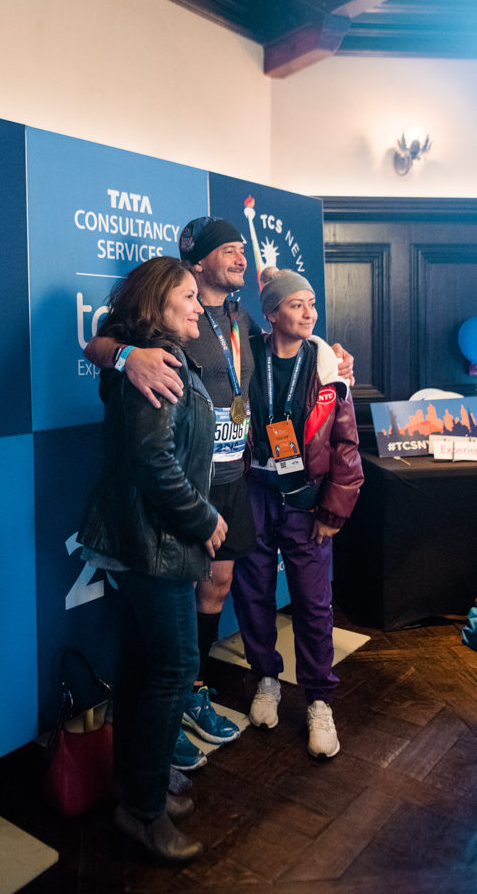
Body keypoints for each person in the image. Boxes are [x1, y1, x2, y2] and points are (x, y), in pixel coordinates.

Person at [85, 217, 355, 770]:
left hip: (236, 477)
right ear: (196, 261)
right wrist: (126, 357)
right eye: (227, 249)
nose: (238, 255)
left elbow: (286, 344)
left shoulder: (240, 317)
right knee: (164, 611)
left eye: (241, 248)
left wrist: (333, 359)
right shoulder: (165, 313)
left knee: (219, 586)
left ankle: (191, 693)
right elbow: (98, 343)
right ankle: (159, 719)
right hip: (187, 481)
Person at [78, 256, 227, 864]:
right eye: (187, 296)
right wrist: (205, 519)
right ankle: (142, 810)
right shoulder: (151, 361)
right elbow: (151, 461)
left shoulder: (159, 354)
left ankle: (137, 780)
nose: (198, 305)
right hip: (154, 543)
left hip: (149, 540)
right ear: (155, 306)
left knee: (143, 664)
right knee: (174, 666)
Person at [231, 268, 364, 758]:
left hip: (307, 500)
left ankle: (318, 701)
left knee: (312, 603)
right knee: (252, 595)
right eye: (296, 304)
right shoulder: (247, 355)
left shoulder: (326, 364)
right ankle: (266, 677)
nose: (309, 312)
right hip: (255, 492)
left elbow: (346, 443)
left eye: (312, 303)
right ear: (270, 314)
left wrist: (335, 508)